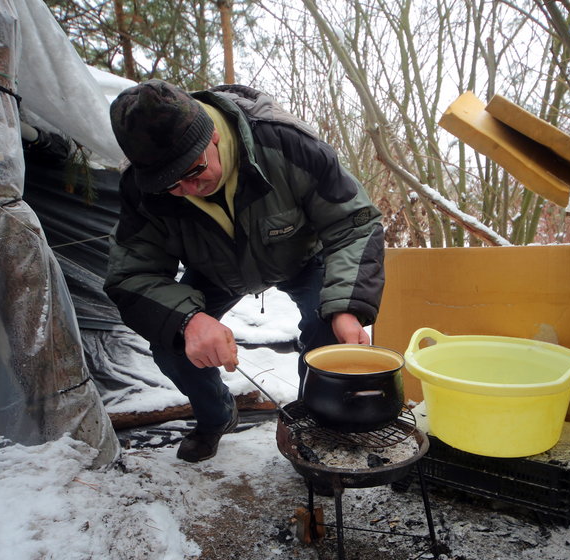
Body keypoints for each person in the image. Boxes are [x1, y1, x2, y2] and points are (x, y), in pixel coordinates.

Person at [105, 80, 385, 462]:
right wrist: (189, 320)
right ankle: (216, 416)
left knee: (326, 334)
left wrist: (347, 307)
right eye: (169, 184)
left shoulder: (285, 144)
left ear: (214, 133)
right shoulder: (141, 190)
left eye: (194, 170)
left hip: (300, 256)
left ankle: (313, 430)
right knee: (172, 342)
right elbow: (130, 275)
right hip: (214, 269)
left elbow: (354, 223)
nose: (187, 189)